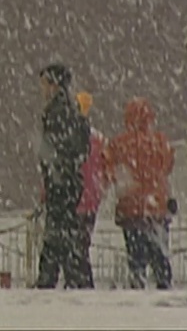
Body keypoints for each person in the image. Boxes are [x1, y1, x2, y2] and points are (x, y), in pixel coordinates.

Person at [103, 97, 174, 290]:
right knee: (160, 252)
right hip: (157, 206)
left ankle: (138, 282)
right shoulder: (160, 141)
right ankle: (164, 284)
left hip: (131, 207)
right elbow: (168, 166)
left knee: (136, 255)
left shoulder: (118, 144)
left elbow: (109, 170)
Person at [35, 63, 91, 290]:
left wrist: (54, 169)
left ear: (55, 84)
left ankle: (53, 278)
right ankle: (70, 278)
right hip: (67, 180)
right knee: (65, 233)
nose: (42, 89)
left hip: (61, 180)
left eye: (45, 83)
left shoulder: (58, 112)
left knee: (58, 234)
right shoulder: (71, 110)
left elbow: (54, 149)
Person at [75, 91, 106, 289]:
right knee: (82, 244)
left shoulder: (72, 134)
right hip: (91, 199)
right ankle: (84, 282)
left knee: (75, 246)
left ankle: (82, 282)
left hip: (74, 196)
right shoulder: (99, 140)